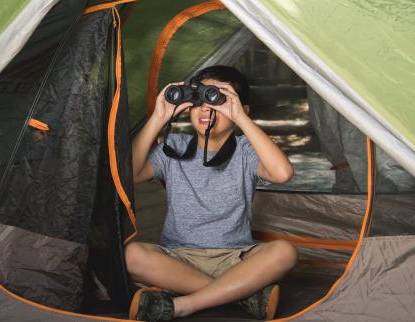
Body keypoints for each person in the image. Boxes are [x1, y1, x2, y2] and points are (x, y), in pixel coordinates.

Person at [126, 65, 297, 321]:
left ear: (241, 109)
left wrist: (241, 118)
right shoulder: (174, 146)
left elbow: (283, 173)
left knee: (284, 252)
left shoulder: (246, 151)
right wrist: (158, 118)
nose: (206, 108)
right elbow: (127, 175)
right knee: (132, 255)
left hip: (235, 258)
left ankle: (186, 303)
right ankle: (241, 294)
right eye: (199, 99)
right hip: (178, 258)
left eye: (217, 99)